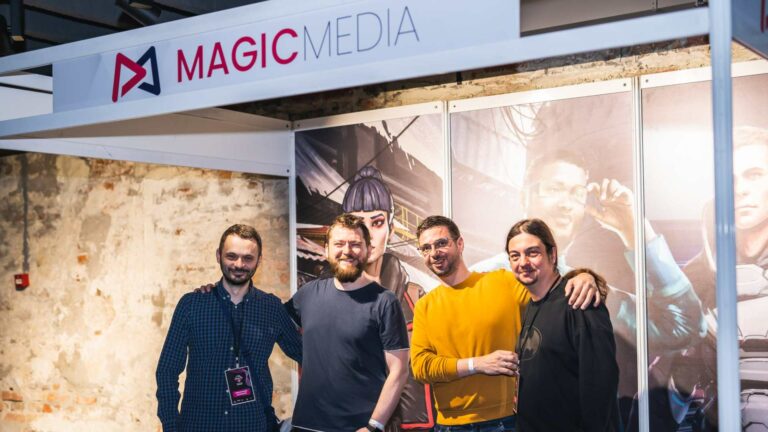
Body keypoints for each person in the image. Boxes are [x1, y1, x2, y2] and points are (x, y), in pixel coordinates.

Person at [470, 150, 706, 428]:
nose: (566, 203)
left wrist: (633, 229)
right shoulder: (483, 279)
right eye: (554, 189)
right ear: (525, 196)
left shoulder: (582, 289)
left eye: (576, 193)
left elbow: (684, 325)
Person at [410, 215, 603, 431]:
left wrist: (583, 276)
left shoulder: (503, 282)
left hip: (503, 423)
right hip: (447, 426)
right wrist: (477, 364)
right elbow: (421, 367)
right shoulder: (425, 305)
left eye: (441, 243)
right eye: (425, 248)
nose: (434, 253)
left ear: (460, 244)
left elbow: (550, 288)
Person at [666, 125, 768, 431]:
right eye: (729, 178)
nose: (740, 189)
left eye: (754, 175)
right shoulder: (697, 279)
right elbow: (675, 378)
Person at [156, 224, 303, 432]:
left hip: (252, 425)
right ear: (218, 256)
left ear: (259, 260)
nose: (239, 264)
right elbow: (167, 371)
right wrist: (171, 424)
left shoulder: (271, 308)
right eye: (231, 256)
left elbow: (308, 356)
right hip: (198, 425)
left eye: (248, 258)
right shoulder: (192, 305)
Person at [286, 213, 410, 432]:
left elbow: (399, 370)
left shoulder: (384, 301)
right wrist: (212, 292)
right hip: (306, 425)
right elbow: (271, 320)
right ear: (326, 250)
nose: (347, 251)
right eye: (339, 244)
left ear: (368, 250)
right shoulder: (307, 295)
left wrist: (374, 426)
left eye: (355, 244)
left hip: (358, 427)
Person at [341, 166, 434, 430]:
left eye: (377, 222)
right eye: (358, 223)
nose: (368, 234)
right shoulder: (325, 297)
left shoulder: (415, 299)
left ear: (391, 229)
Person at [507, 218, 619, 432]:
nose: (523, 262)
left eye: (532, 252)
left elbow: (600, 384)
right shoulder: (530, 305)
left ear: (552, 254)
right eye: (515, 256)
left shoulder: (578, 301)